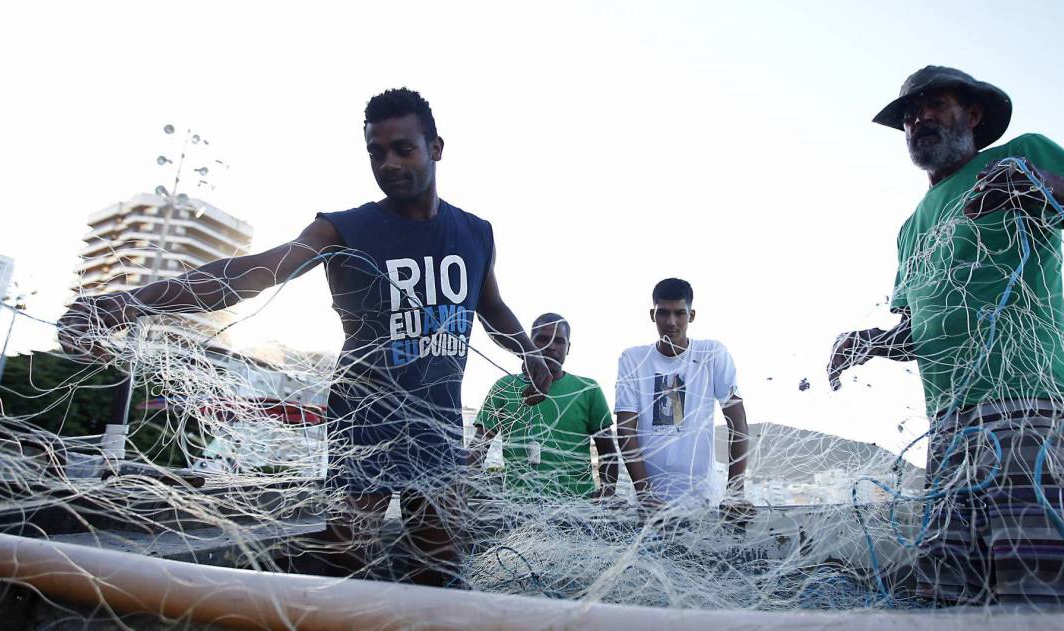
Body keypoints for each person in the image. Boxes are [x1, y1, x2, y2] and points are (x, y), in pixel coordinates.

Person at [58, 88, 553, 587]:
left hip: (439, 428)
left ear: (436, 148)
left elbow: (490, 306)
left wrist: (530, 353)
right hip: (365, 426)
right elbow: (253, 272)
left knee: (440, 569)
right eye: (375, 153)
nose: (388, 163)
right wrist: (125, 302)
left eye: (403, 148)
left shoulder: (476, 232)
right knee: (348, 566)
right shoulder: (343, 229)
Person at [827, 66, 1064, 604]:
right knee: (944, 593)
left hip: (1031, 411)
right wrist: (873, 343)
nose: (918, 120)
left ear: (972, 115)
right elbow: (921, 328)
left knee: (1036, 594)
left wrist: (1044, 184)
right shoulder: (911, 227)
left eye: (934, 106)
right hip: (948, 429)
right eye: (908, 115)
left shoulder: (1021, 155)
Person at [614, 278, 751, 516]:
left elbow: (737, 421)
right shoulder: (632, 359)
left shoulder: (712, 354)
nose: (671, 322)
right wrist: (644, 492)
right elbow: (626, 429)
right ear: (652, 315)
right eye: (663, 313)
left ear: (692, 315)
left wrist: (735, 493)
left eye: (680, 313)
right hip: (647, 505)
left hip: (701, 501)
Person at [470, 313, 619, 500]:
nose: (551, 347)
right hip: (518, 509)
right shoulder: (504, 387)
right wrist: (461, 490)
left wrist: (608, 493)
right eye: (542, 339)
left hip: (578, 509)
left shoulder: (588, 389)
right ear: (528, 344)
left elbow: (607, 450)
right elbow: (479, 446)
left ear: (568, 348)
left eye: (559, 341)